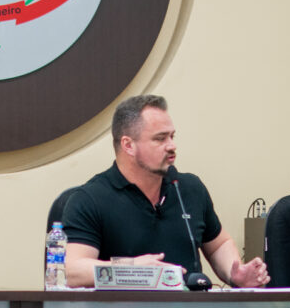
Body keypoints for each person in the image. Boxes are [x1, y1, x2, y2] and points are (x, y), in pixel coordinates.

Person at [62, 95, 269, 288]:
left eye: (172, 136)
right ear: (128, 145)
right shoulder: (90, 199)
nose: (172, 146)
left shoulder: (189, 188)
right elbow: (73, 271)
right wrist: (131, 269)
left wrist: (236, 273)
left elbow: (218, 244)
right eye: (160, 139)